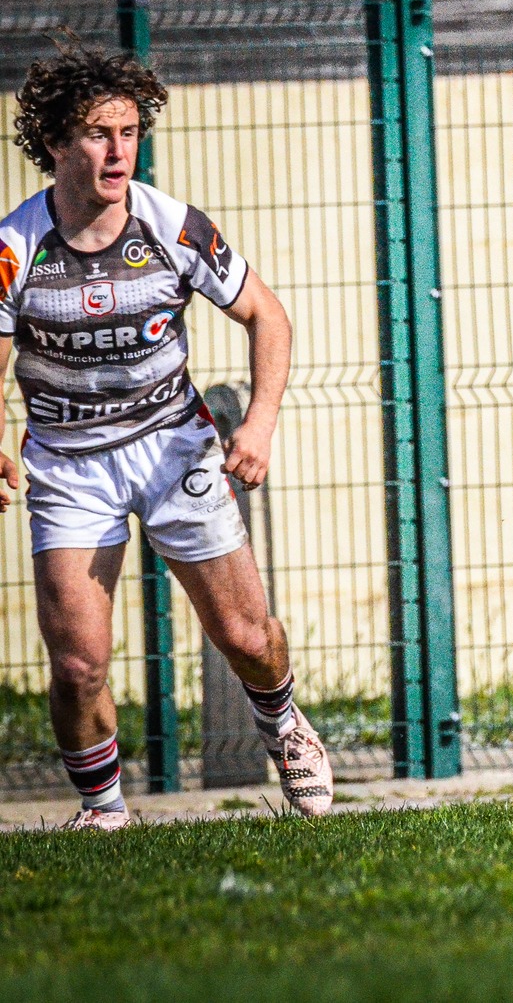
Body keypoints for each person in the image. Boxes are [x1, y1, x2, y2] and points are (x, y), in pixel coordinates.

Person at [0, 41, 329, 829]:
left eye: (128, 132)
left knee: (248, 637)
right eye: (96, 134)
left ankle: (284, 724)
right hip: (71, 466)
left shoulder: (172, 224)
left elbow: (267, 315)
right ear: (53, 143)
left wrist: (260, 420)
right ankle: (105, 814)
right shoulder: (14, 247)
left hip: (175, 447)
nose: (117, 152)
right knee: (79, 665)